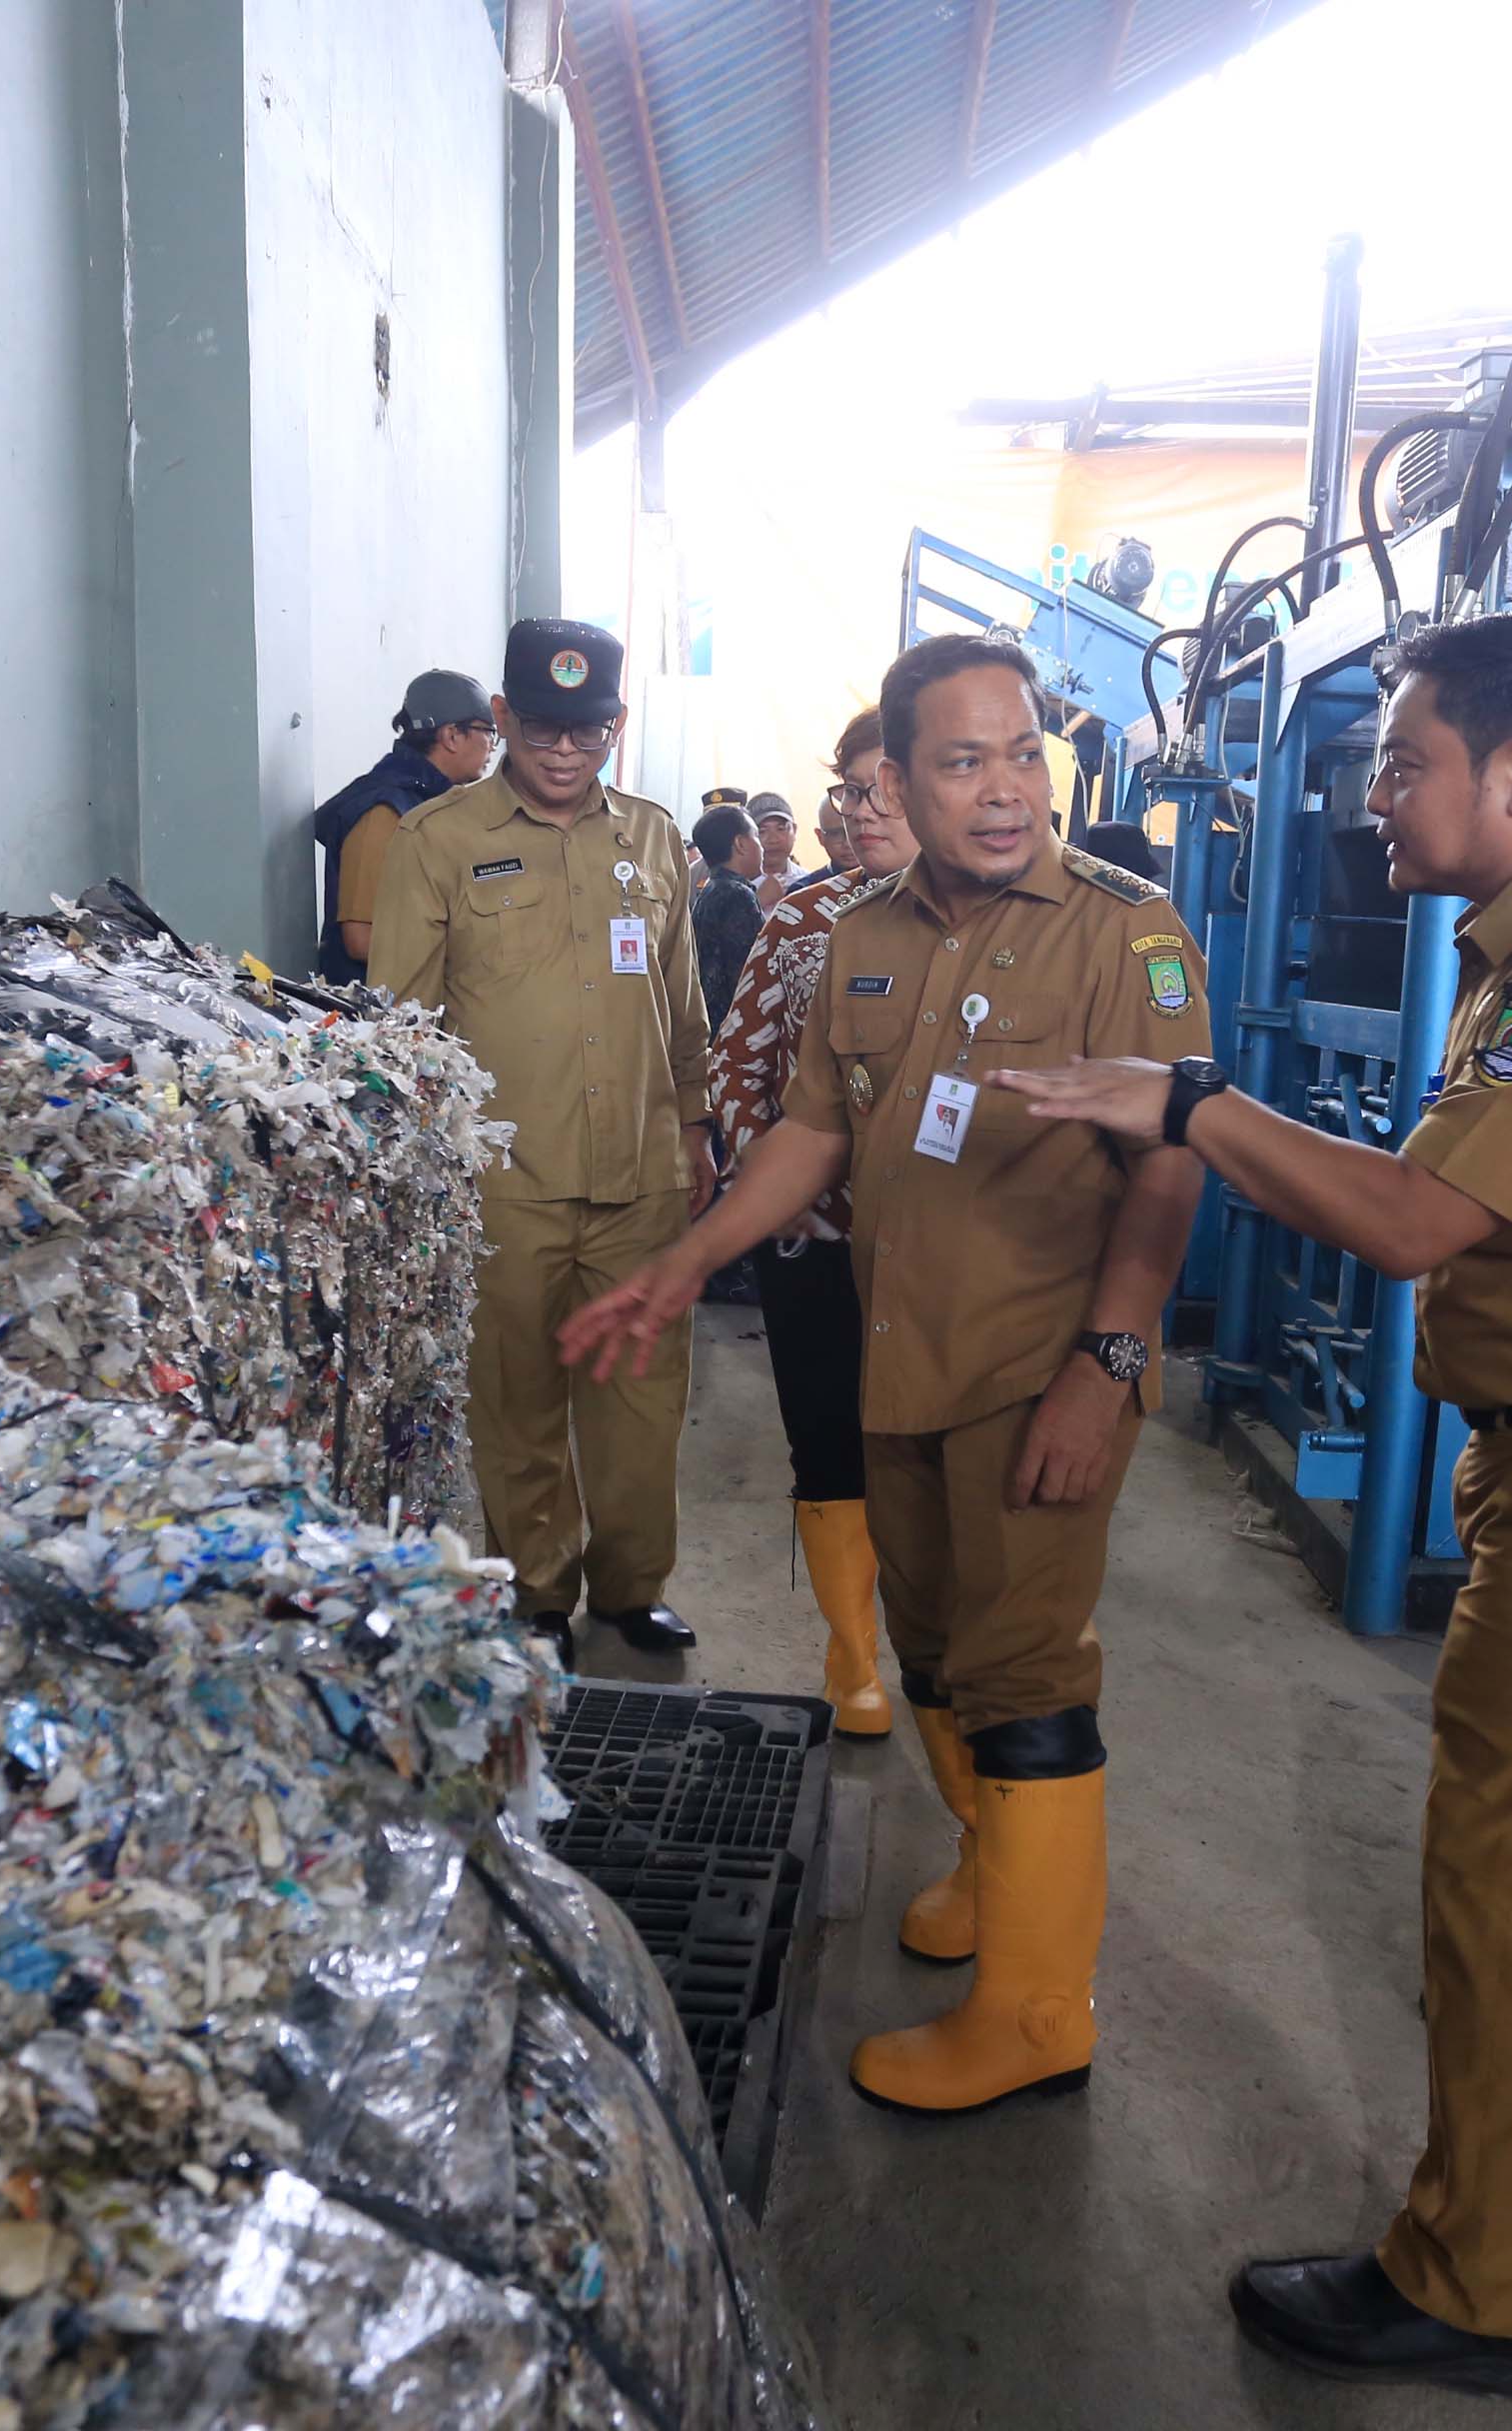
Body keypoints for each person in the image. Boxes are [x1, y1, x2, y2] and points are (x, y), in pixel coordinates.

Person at [996, 614, 1512, 2400]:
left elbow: (1420, 1220)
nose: (1371, 798)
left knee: (1509, 1859)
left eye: (1400, 759)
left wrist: (1193, 1105)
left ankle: (1469, 2283)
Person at [563, 633, 1210, 2117]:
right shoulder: (862, 931)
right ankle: (995, 1872)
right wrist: (680, 1259)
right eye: (964, 761)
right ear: (899, 780)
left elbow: (1167, 1176)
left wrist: (1108, 1368)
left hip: (1039, 1368)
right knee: (933, 1650)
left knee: (1030, 1675)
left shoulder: (1129, 930)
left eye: (1023, 757)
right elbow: (814, 1133)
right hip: (894, 1362)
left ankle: (1041, 2013)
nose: (1003, 793)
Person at [373, 620, 717, 1658]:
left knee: (641, 1402)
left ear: (614, 724)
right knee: (517, 1396)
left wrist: (697, 1127)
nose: (565, 752)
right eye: (542, 730)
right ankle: (536, 1591)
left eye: (589, 730)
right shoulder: (439, 842)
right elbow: (403, 1025)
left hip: (643, 1173)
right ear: (502, 721)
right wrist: (426, 1167)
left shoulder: (654, 838)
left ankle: (629, 1586)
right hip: (503, 1177)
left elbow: (682, 999)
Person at [708, 708, 919, 1733]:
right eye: (851, 790)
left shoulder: (1014, 928)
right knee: (829, 1446)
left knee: (928, 1462)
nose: (861, 811)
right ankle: (853, 1659)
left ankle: (938, 1662)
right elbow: (738, 1064)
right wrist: (772, 1186)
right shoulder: (800, 919)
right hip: (818, 1250)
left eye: (887, 787)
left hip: (946, 1261)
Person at [311, 670, 496, 985]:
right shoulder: (385, 811)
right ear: (452, 736)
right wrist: (477, 952)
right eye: (488, 732)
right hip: (377, 1017)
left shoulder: (435, 804)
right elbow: (360, 939)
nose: (493, 746)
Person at [690, 801, 765, 1023]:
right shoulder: (738, 895)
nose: (762, 846)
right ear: (741, 844)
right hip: (734, 1025)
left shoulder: (710, 889)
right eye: (757, 836)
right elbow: (749, 974)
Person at [751, 792, 801, 911]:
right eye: (762, 831)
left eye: (781, 829)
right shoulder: (736, 886)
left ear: (794, 830)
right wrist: (758, 900)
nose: (773, 839)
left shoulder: (808, 882)